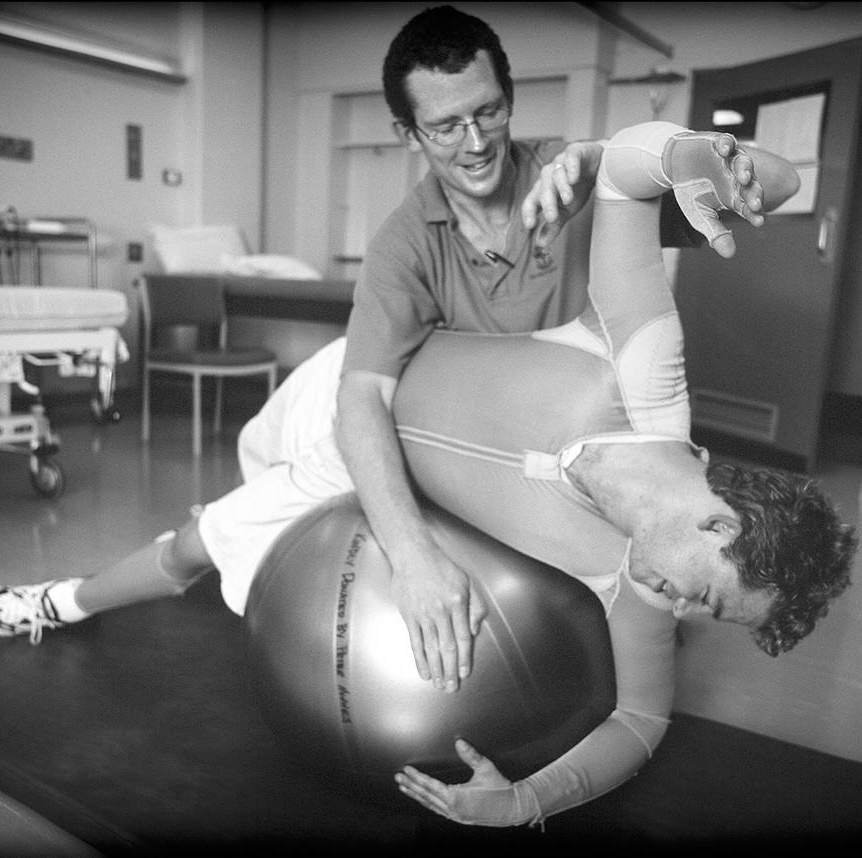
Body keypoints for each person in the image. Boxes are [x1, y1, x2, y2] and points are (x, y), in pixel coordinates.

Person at [0, 119, 854, 828]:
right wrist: (692, 151)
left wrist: (527, 802)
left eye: (703, 616)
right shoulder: (645, 372)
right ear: (721, 525)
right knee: (239, 502)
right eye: (711, 597)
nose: (684, 613)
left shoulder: (639, 588)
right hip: (348, 394)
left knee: (200, 550)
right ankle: (187, 551)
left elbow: (641, 722)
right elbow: (625, 169)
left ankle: (52, 603)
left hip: (365, 472)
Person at [332, 5, 799, 693]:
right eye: (444, 125)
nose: (475, 141)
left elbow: (780, 183)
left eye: (488, 112)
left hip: (590, 459)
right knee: (255, 506)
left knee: (621, 653)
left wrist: (661, 155)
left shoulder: (573, 179)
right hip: (484, 458)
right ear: (407, 134)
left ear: (510, 99)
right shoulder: (405, 242)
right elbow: (361, 394)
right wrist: (412, 555)